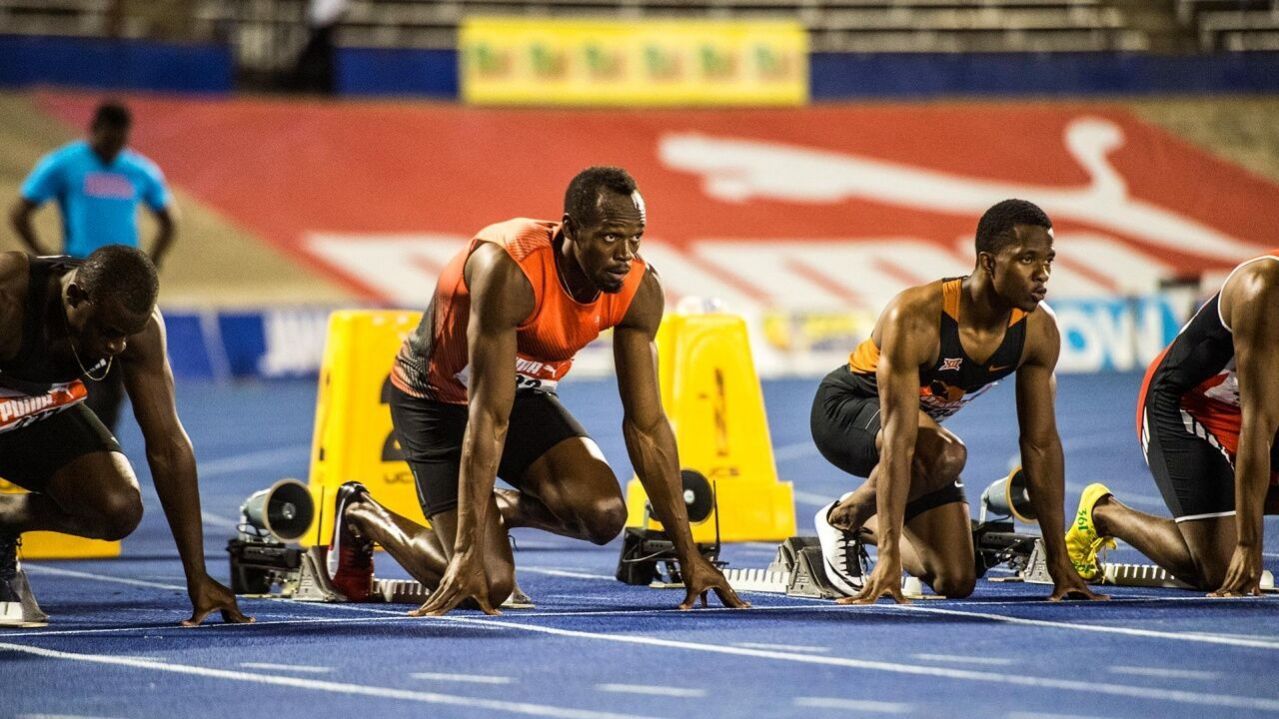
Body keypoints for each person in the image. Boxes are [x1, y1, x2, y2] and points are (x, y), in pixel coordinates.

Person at [327, 166, 747, 615]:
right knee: (487, 584)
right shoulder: (508, 270)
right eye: (609, 238)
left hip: (521, 395)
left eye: (635, 239)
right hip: (436, 401)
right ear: (571, 229)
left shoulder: (638, 289)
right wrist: (467, 552)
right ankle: (361, 513)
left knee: (604, 513)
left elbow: (647, 426)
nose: (625, 255)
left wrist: (689, 554)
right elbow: (488, 418)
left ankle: (496, 511)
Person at [809, 199, 1104, 604]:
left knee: (955, 579)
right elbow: (899, 440)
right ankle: (847, 517)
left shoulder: (1038, 331)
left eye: (1048, 260)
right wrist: (889, 558)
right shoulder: (916, 315)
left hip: (920, 439)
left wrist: (1060, 564)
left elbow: (1040, 445)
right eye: (1027, 259)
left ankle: (856, 516)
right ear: (988, 263)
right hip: (848, 411)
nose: (1043, 274)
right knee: (947, 454)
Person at [0, 246, 249, 627]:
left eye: (126, 335)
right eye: (110, 332)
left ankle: (4, 519)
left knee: (118, 507)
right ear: (75, 297)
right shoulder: (8, 298)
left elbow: (168, 446)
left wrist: (197, 576)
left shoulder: (139, 330)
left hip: (32, 410)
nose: (118, 346)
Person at [1067, 251, 1279, 596]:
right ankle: (1104, 513)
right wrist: (1247, 545)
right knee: (1220, 571)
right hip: (1182, 405)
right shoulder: (1262, 288)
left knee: (1231, 523)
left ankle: (1220, 512)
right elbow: (1259, 425)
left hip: (1240, 408)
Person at [9, 100, 177, 433]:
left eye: (121, 141)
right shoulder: (64, 164)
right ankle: (63, 438)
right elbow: (20, 212)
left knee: (115, 372)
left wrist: (151, 262)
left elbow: (169, 220)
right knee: (72, 363)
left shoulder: (140, 170)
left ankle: (103, 442)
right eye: (109, 140)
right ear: (94, 130)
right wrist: (45, 257)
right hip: (81, 279)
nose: (114, 148)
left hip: (125, 285)